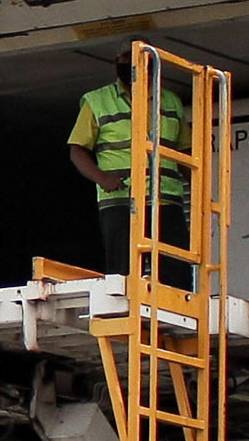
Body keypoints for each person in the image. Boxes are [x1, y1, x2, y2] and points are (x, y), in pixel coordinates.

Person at [66, 49, 194, 278]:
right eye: (126, 60)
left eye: (139, 60)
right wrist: (103, 179)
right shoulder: (97, 101)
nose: (132, 65)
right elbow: (77, 151)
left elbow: (184, 151)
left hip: (165, 198)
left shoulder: (171, 101)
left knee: (176, 269)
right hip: (121, 201)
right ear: (116, 63)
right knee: (124, 272)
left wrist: (200, 188)